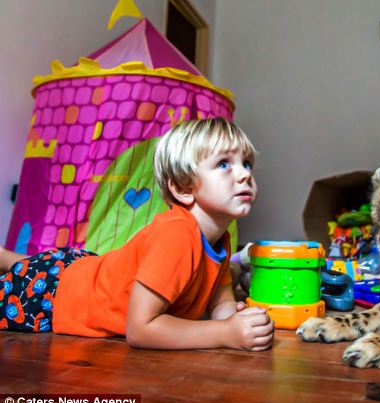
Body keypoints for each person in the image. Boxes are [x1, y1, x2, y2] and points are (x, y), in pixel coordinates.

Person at [0, 118, 274, 351]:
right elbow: (141, 329)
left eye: (247, 164)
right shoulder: (177, 234)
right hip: (50, 297)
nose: (244, 175)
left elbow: (221, 304)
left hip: (76, 267)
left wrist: (241, 323)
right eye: (224, 164)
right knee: (27, 273)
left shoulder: (221, 239)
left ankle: (6, 257)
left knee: (33, 267)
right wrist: (225, 334)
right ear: (182, 188)